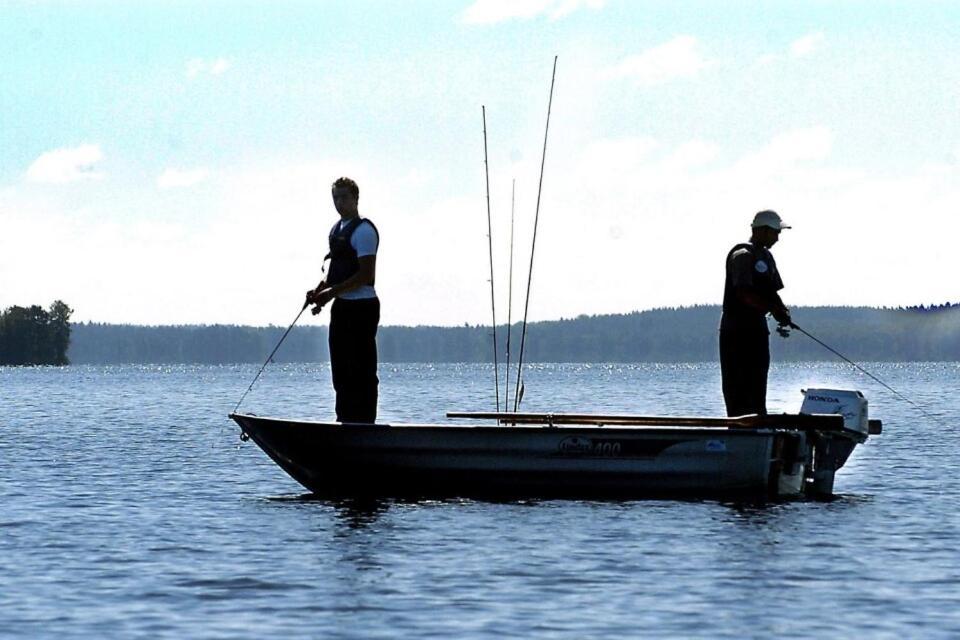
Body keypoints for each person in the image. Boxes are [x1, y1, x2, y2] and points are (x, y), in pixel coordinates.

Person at [306, 177, 380, 423]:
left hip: (363, 307)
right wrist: (319, 292)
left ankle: (365, 421)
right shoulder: (335, 231)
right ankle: (345, 420)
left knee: (362, 369)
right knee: (341, 369)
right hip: (342, 306)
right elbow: (334, 274)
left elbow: (366, 274)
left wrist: (331, 293)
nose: (339, 202)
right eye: (335, 197)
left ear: (356, 198)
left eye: (344, 197)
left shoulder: (364, 231)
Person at [719, 210, 792, 417]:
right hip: (735, 331)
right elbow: (744, 294)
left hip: (757, 331)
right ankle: (738, 425)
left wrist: (782, 311)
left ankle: (759, 421)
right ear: (763, 230)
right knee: (737, 384)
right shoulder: (742, 256)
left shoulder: (767, 257)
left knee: (757, 380)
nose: (778, 238)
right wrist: (772, 309)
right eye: (776, 232)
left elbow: (772, 292)